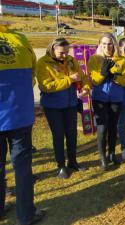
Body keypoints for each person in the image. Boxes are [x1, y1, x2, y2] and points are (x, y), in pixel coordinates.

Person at [0, 21, 45, 224]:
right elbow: (32, 76)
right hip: (19, 115)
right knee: (22, 168)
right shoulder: (20, 39)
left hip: (14, 115)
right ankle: (26, 215)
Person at [36, 38, 89, 179]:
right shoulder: (43, 63)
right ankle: (61, 166)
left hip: (70, 104)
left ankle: (73, 162)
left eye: (67, 52)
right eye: (61, 53)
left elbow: (82, 77)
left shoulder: (71, 60)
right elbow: (45, 87)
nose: (65, 55)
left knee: (72, 134)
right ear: (52, 49)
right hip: (52, 106)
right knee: (58, 135)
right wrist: (69, 80)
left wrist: (85, 88)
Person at [88, 33, 125, 170]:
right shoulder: (94, 59)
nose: (107, 46)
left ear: (114, 44)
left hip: (116, 98)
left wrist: (114, 77)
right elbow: (94, 80)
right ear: (100, 45)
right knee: (102, 127)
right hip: (100, 98)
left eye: (110, 43)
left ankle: (112, 153)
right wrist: (103, 73)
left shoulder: (122, 60)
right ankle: (103, 157)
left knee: (113, 126)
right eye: (104, 44)